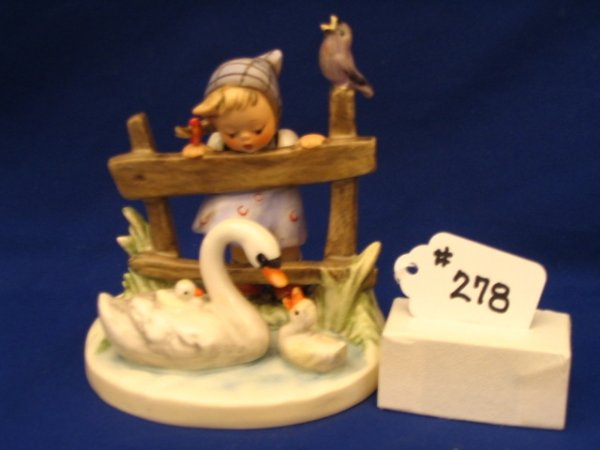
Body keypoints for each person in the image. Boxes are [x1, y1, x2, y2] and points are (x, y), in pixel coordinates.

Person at [182, 49, 324, 264]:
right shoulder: (218, 143)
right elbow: (207, 157)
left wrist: (308, 144)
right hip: (236, 203)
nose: (246, 138)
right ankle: (244, 276)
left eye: (257, 129)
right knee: (241, 244)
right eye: (232, 133)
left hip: (277, 205)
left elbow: (301, 153)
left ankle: (290, 276)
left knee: (286, 247)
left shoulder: (283, 139)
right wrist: (198, 151)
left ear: (275, 114)